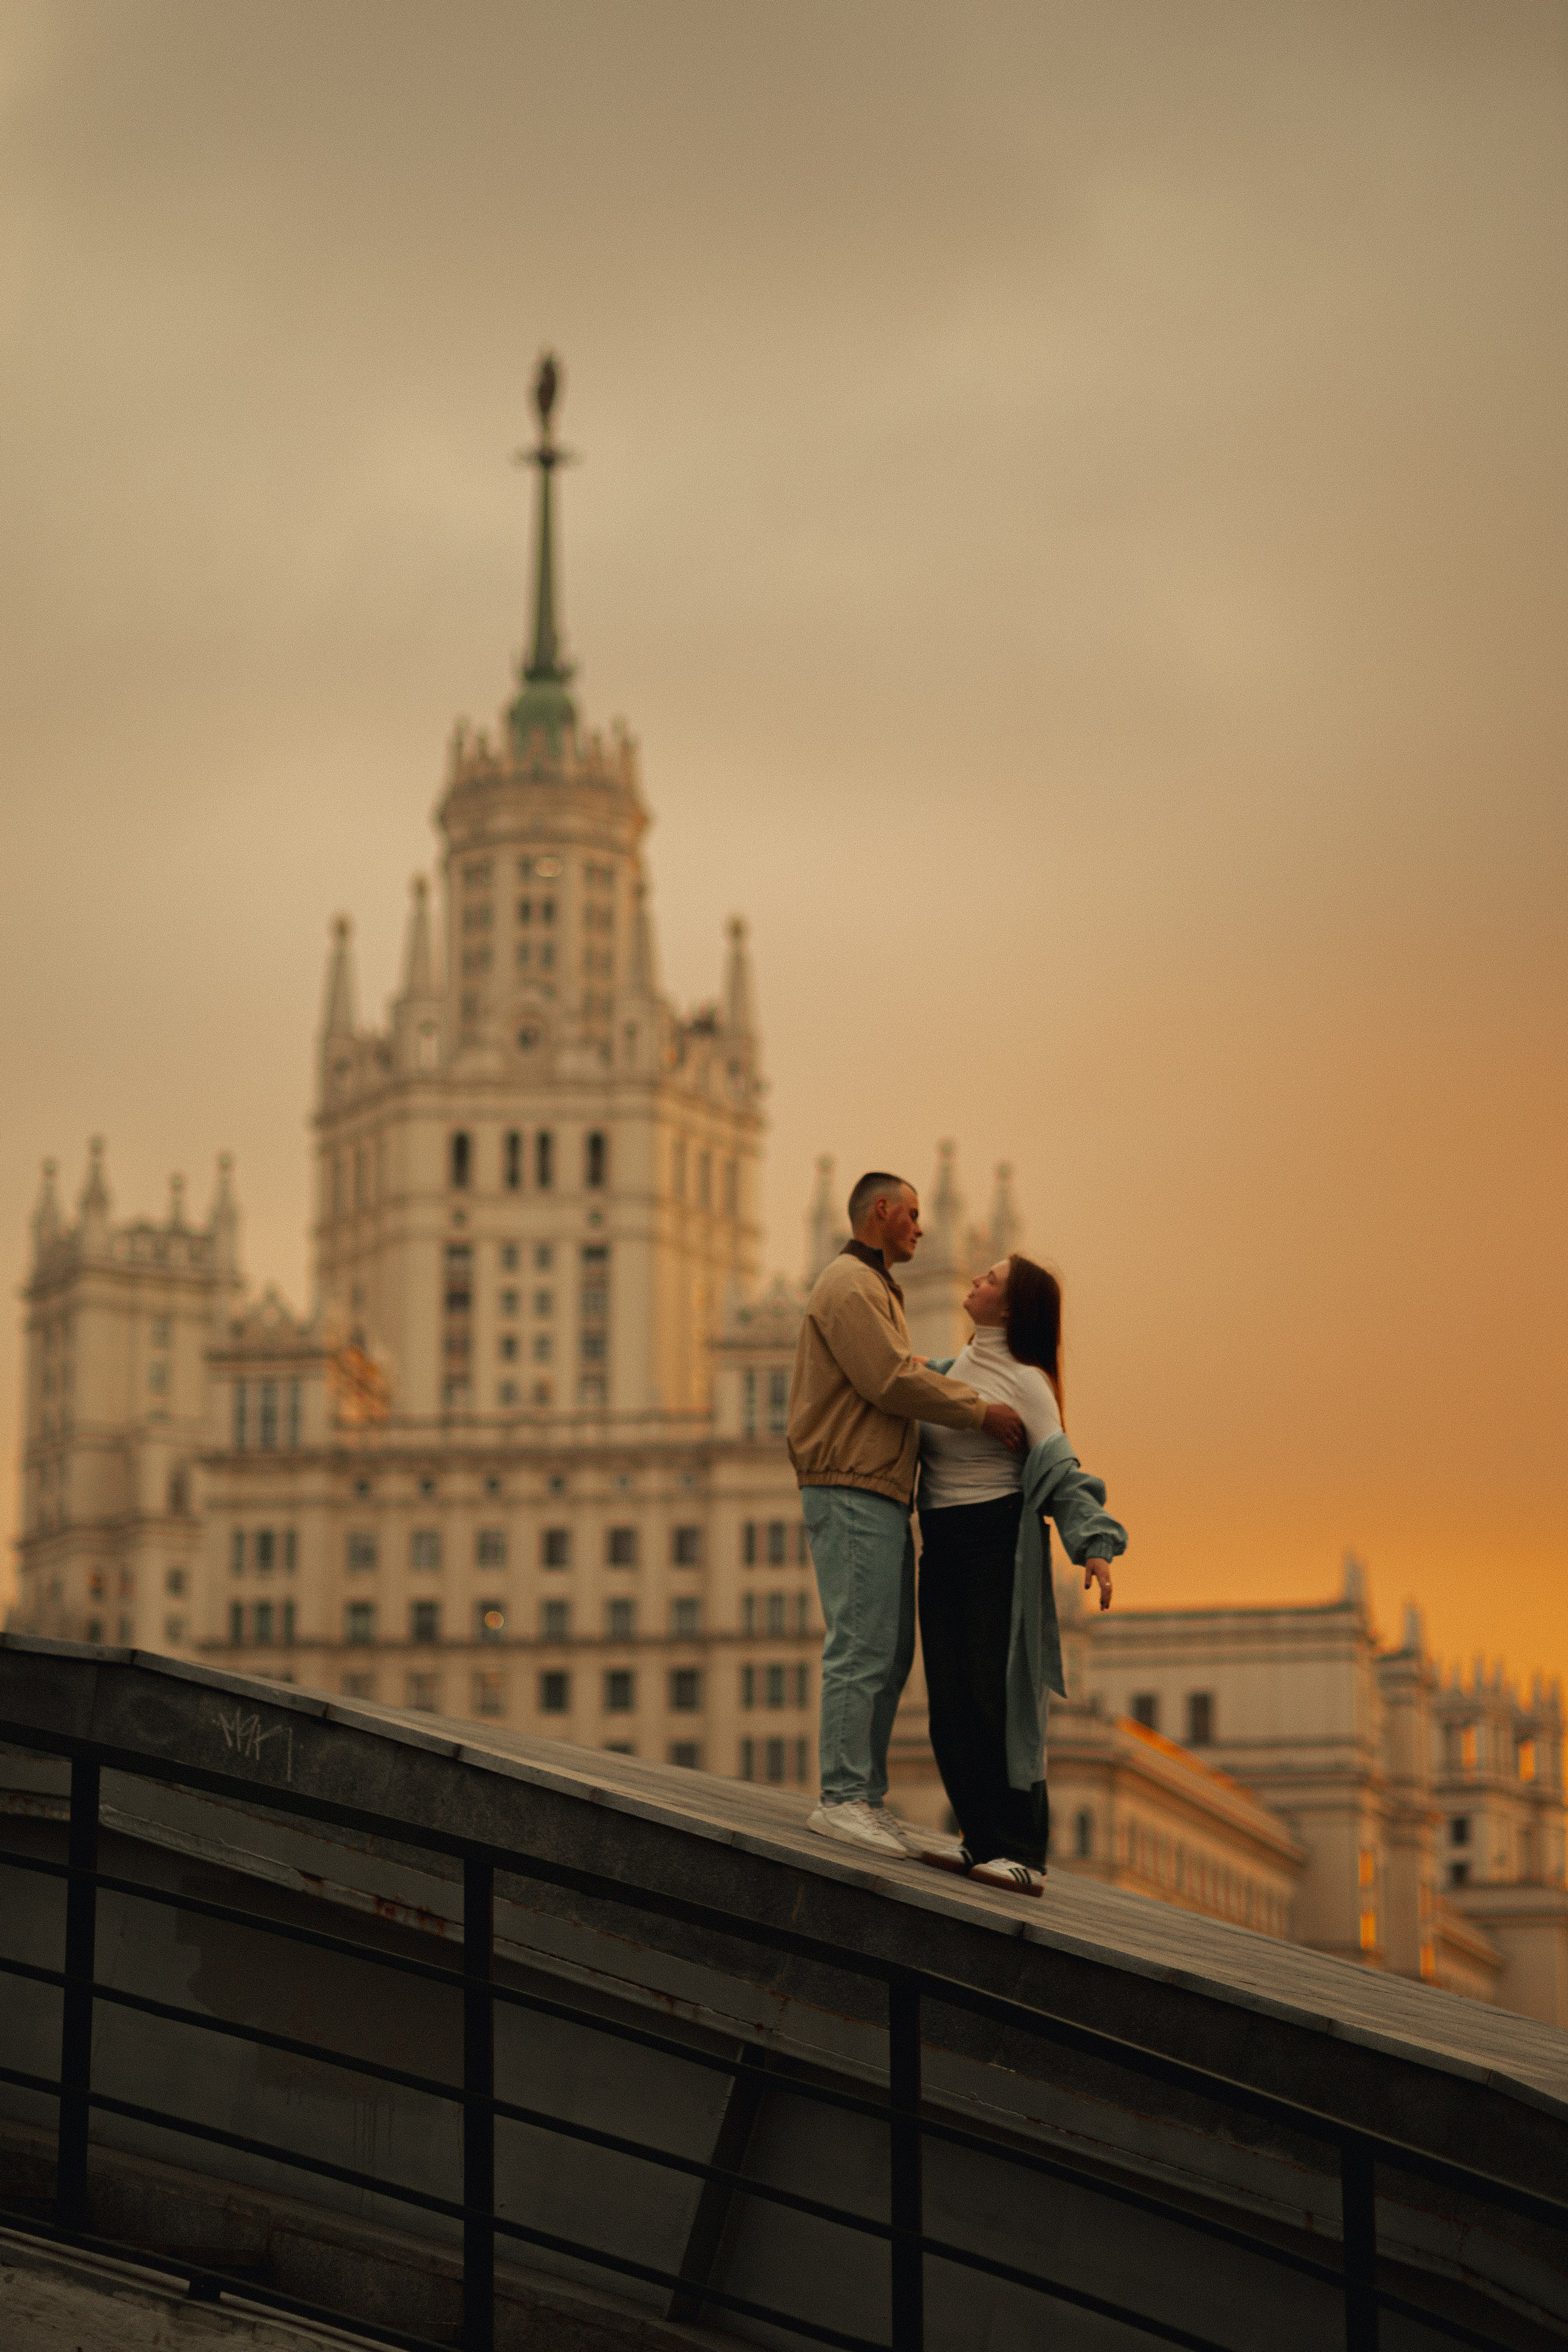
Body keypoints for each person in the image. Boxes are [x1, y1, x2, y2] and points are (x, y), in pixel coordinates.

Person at [787, 1172, 1027, 1855]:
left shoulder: (874, 1286)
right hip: (851, 1485)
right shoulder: (850, 1284)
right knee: (862, 1647)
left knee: (888, 1654)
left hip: (878, 1488)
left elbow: (902, 1368)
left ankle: (863, 1797)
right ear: (882, 1211)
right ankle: (842, 1798)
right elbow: (890, 1379)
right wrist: (981, 1411)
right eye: (913, 1214)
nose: (921, 1227)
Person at [916, 1253, 1126, 1898]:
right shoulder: (952, 1370)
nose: (976, 1280)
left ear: (1010, 1308)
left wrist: (1094, 1545)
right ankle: (979, 1839)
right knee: (949, 1702)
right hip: (942, 1546)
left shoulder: (1027, 1383)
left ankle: (1022, 1853)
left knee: (998, 1701)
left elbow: (1062, 1471)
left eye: (991, 1279)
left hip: (997, 1544)